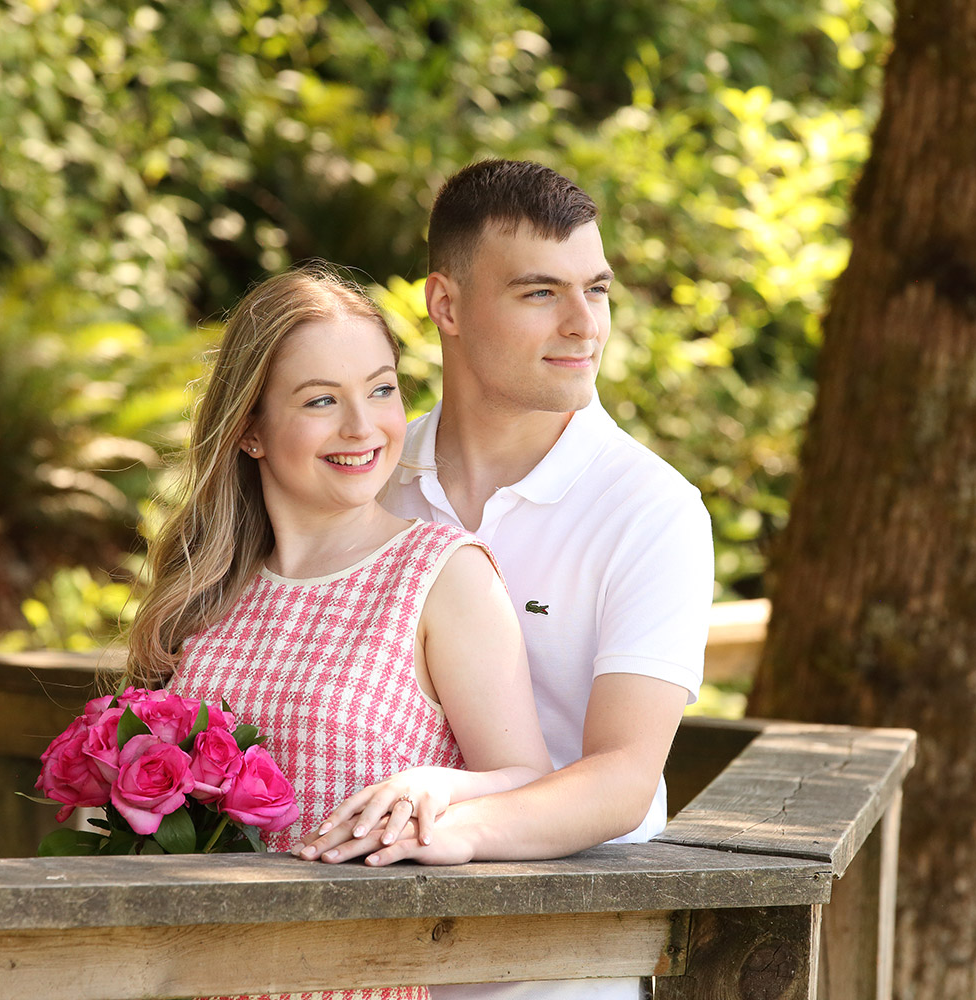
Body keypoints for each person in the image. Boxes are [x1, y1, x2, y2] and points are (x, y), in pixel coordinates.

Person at [296, 160, 714, 1000]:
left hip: (554, 964)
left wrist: (452, 825)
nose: (582, 325)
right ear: (445, 304)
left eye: (595, 289)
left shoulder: (651, 509)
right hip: (353, 949)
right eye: (539, 293)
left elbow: (623, 780)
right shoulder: (369, 473)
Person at [123, 266, 553, 1000]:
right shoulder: (205, 589)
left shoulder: (442, 576)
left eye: (381, 389)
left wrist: (436, 787)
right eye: (322, 400)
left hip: (353, 982)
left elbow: (529, 782)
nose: (363, 426)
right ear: (250, 429)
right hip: (189, 976)